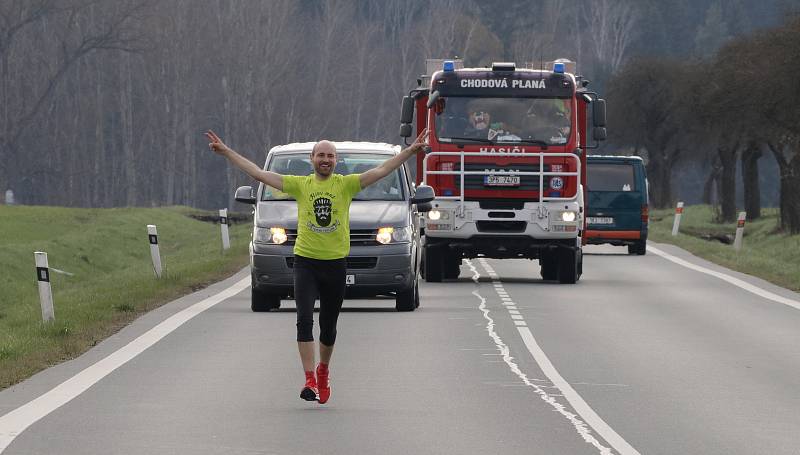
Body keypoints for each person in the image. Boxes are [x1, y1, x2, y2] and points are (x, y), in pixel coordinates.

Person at [204, 129, 429, 404]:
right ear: (312, 159)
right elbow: (258, 173)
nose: (325, 159)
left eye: (330, 156)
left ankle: (323, 371)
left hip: (335, 265)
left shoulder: (346, 185)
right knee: (303, 320)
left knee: (328, 327)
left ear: (336, 161)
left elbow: (383, 170)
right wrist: (226, 151)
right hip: (306, 262)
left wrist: (410, 151)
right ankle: (309, 378)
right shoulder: (300, 185)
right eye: (321, 155)